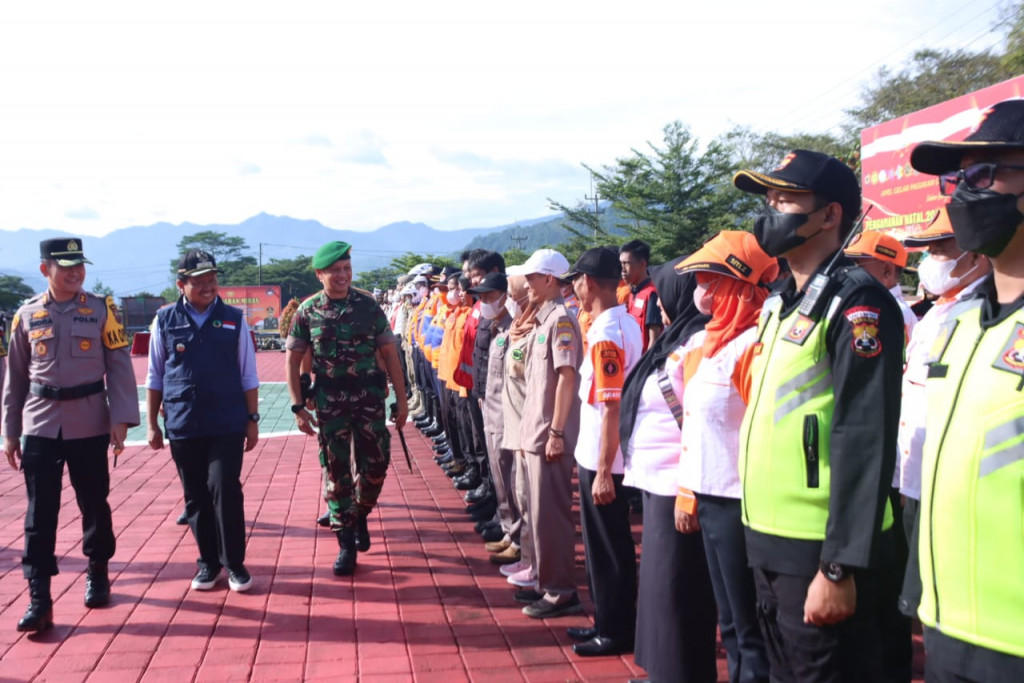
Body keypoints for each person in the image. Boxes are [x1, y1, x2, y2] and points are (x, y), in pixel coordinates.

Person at [734, 149, 904, 682]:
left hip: (820, 546)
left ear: (831, 215)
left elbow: (865, 433)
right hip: (768, 533)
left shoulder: (858, 303)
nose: (771, 210)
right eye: (768, 198)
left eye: (786, 198)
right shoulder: (783, 299)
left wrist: (839, 565)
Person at [909, 99, 1024, 682]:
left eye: (982, 175)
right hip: (948, 624)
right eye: (955, 179)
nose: (960, 194)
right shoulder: (958, 322)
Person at [2, 238, 139, 632]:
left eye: (80, 266)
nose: (76, 273)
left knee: (94, 503)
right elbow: (14, 379)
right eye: (66, 268)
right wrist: (10, 433)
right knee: (38, 513)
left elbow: (119, 366)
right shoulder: (25, 315)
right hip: (40, 423)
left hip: (90, 420)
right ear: (46, 270)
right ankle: (39, 597)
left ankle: (97, 570)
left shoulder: (100, 310)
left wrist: (121, 418)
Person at [673, 231, 777, 683]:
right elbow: (695, 426)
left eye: (710, 279)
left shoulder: (756, 344)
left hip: (742, 503)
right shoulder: (710, 343)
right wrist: (687, 495)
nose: (700, 291)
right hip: (710, 498)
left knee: (752, 625)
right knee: (731, 622)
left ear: (737, 283)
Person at [286, 241, 408, 577]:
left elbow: (390, 353)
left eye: (347, 269)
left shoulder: (368, 306)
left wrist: (402, 399)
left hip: (369, 401)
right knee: (336, 474)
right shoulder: (307, 311)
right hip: (330, 405)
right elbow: (293, 358)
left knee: (376, 467)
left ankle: (359, 515)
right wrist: (299, 405)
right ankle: (346, 544)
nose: (343, 275)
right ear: (320, 274)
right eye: (335, 270)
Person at [621, 258, 717, 683]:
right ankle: (663, 670)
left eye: (664, 297)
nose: (659, 306)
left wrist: (688, 491)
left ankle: (680, 673)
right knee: (661, 586)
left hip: (677, 481)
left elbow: (699, 418)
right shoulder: (679, 337)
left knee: (678, 588)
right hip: (655, 478)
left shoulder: (697, 340)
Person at [895, 206, 990, 624]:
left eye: (941, 248)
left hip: (948, 484)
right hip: (913, 474)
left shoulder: (985, 312)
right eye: (927, 249)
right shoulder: (938, 310)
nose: (930, 259)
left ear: (977, 252)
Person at [145, 249, 260, 593]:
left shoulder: (233, 319)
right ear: (181, 284)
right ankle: (208, 563)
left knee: (224, 486)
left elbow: (248, 373)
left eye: (213, 279)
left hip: (227, 421)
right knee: (195, 495)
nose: (209, 286)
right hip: (184, 422)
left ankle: (234, 563)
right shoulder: (164, 321)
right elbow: (155, 375)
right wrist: (151, 422)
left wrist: (252, 419)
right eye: (200, 281)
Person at [564, 247, 643, 656]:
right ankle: (605, 619)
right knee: (605, 544)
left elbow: (611, 403)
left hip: (604, 456)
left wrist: (605, 470)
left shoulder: (609, 333)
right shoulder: (616, 324)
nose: (574, 286)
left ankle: (615, 629)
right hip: (600, 452)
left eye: (576, 279)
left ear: (589, 282)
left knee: (609, 547)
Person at [507, 248, 583, 618]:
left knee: (552, 517)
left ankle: (560, 590)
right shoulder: (541, 320)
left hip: (548, 437)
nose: (527, 284)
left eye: (532, 278)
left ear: (549, 279)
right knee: (537, 515)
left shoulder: (561, 321)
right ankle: (544, 580)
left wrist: (555, 432)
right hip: (534, 433)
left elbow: (567, 378)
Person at [619, 240, 663, 352]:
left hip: (642, 362)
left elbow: (654, 338)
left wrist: (644, 367)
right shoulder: (633, 292)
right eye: (621, 264)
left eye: (627, 264)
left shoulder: (651, 293)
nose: (622, 270)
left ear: (642, 264)